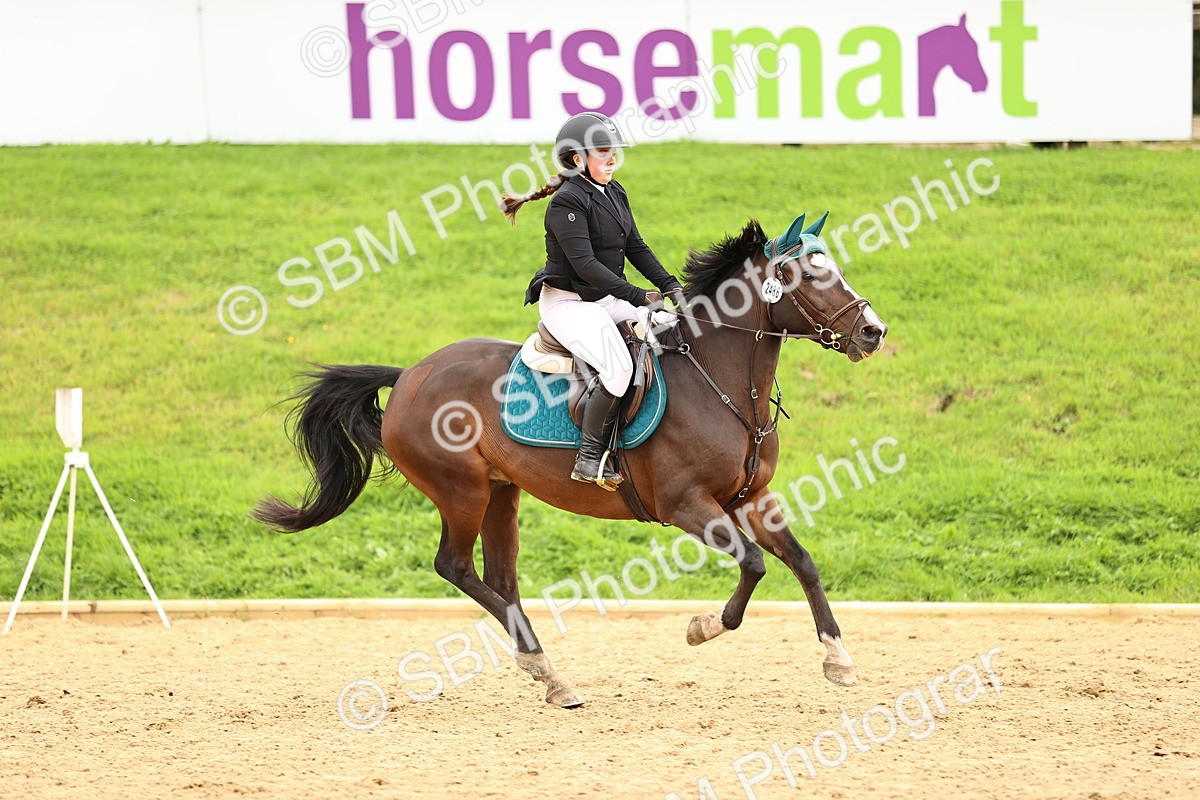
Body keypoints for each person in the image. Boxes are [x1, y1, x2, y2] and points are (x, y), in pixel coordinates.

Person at [501, 112, 685, 489]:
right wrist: (637, 295)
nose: (612, 158)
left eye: (614, 151)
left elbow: (635, 246)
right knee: (617, 368)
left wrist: (669, 286)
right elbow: (585, 266)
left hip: (603, 298)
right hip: (568, 305)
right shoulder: (566, 203)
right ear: (576, 158)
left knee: (670, 325)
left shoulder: (615, 192)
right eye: (603, 152)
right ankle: (588, 457)